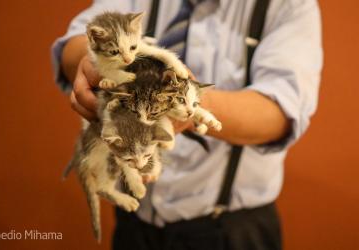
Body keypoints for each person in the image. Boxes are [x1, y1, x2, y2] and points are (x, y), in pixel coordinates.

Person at [51, 0, 323, 249]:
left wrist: (187, 104)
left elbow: (279, 112)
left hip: (230, 233)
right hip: (135, 227)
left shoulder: (289, 5)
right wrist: (93, 62)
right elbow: (73, 45)